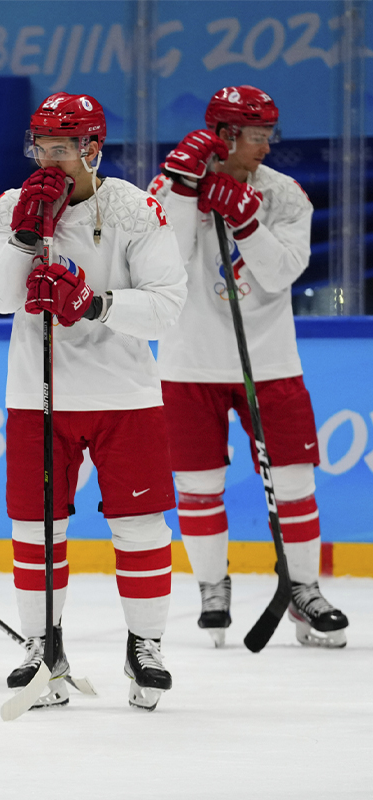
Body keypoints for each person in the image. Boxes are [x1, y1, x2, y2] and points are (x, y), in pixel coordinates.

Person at [0, 92, 187, 710]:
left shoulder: (136, 209)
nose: (48, 159)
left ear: (93, 148)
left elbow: (167, 306)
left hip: (126, 396)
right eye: (39, 147)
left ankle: (145, 646)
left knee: (140, 525)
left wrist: (93, 303)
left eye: (61, 148)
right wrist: (24, 237)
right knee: (36, 527)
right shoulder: (10, 206)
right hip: (37, 396)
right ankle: (43, 648)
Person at [148, 85, 348, 649]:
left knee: (295, 481)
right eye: (256, 135)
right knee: (198, 486)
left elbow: (281, 274)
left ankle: (304, 590)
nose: (266, 146)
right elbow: (164, 266)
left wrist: (247, 220)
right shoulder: (167, 187)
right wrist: (184, 188)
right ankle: (213, 589)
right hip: (190, 364)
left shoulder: (284, 195)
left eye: (267, 134)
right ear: (224, 134)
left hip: (270, 361)